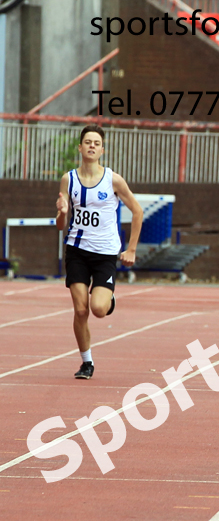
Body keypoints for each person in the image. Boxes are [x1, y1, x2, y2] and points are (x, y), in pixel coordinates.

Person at [55, 124, 144, 379]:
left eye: (96, 143)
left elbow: (137, 211)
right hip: (76, 250)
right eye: (88, 142)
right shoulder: (68, 179)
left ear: (102, 150)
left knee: (98, 309)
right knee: (80, 310)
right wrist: (61, 213)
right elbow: (61, 224)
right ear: (80, 147)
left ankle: (108, 299)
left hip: (105, 254)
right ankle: (87, 362)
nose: (92, 146)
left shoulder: (113, 180)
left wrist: (131, 249)